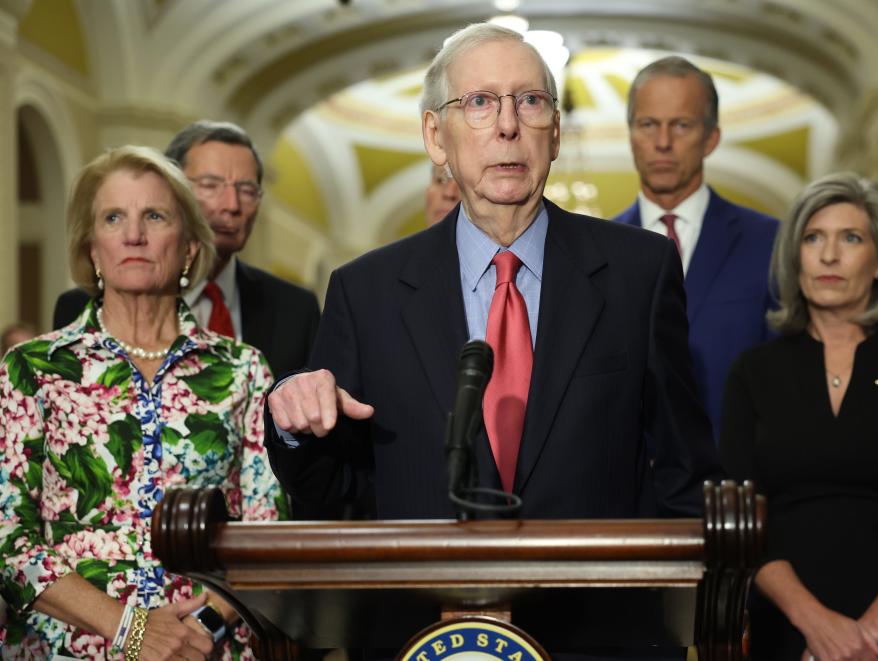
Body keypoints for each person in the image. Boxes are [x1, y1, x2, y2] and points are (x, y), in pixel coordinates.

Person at [267, 22, 720, 526]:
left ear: (555, 135)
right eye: (480, 102)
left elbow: (685, 470)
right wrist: (293, 421)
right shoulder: (365, 293)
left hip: (594, 597)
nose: (508, 126)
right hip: (431, 598)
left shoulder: (640, 271)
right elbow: (337, 483)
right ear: (436, 138)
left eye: (529, 101)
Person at [0, 145, 285, 659]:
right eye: (113, 218)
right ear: (92, 249)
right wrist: (132, 630)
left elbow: (268, 532)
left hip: (208, 648)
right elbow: (8, 539)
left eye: (154, 216)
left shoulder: (243, 369)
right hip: (69, 647)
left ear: (190, 249)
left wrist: (197, 632)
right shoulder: (32, 369)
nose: (133, 235)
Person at [720, 172, 878, 660]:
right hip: (788, 627)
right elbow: (739, 517)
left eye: (851, 238)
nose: (829, 256)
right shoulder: (754, 370)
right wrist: (818, 626)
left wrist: (864, 635)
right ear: (795, 256)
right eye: (813, 238)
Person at [52, 120, 321, 381]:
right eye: (209, 185)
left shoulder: (296, 310)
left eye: (247, 190)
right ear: (172, 192)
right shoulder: (75, 311)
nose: (231, 205)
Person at [613, 56, 779, 436]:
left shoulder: (770, 242)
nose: (662, 142)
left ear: (711, 138)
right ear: (631, 135)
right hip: (631, 486)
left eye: (681, 125)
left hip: (736, 481)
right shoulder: (599, 251)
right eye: (648, 125)